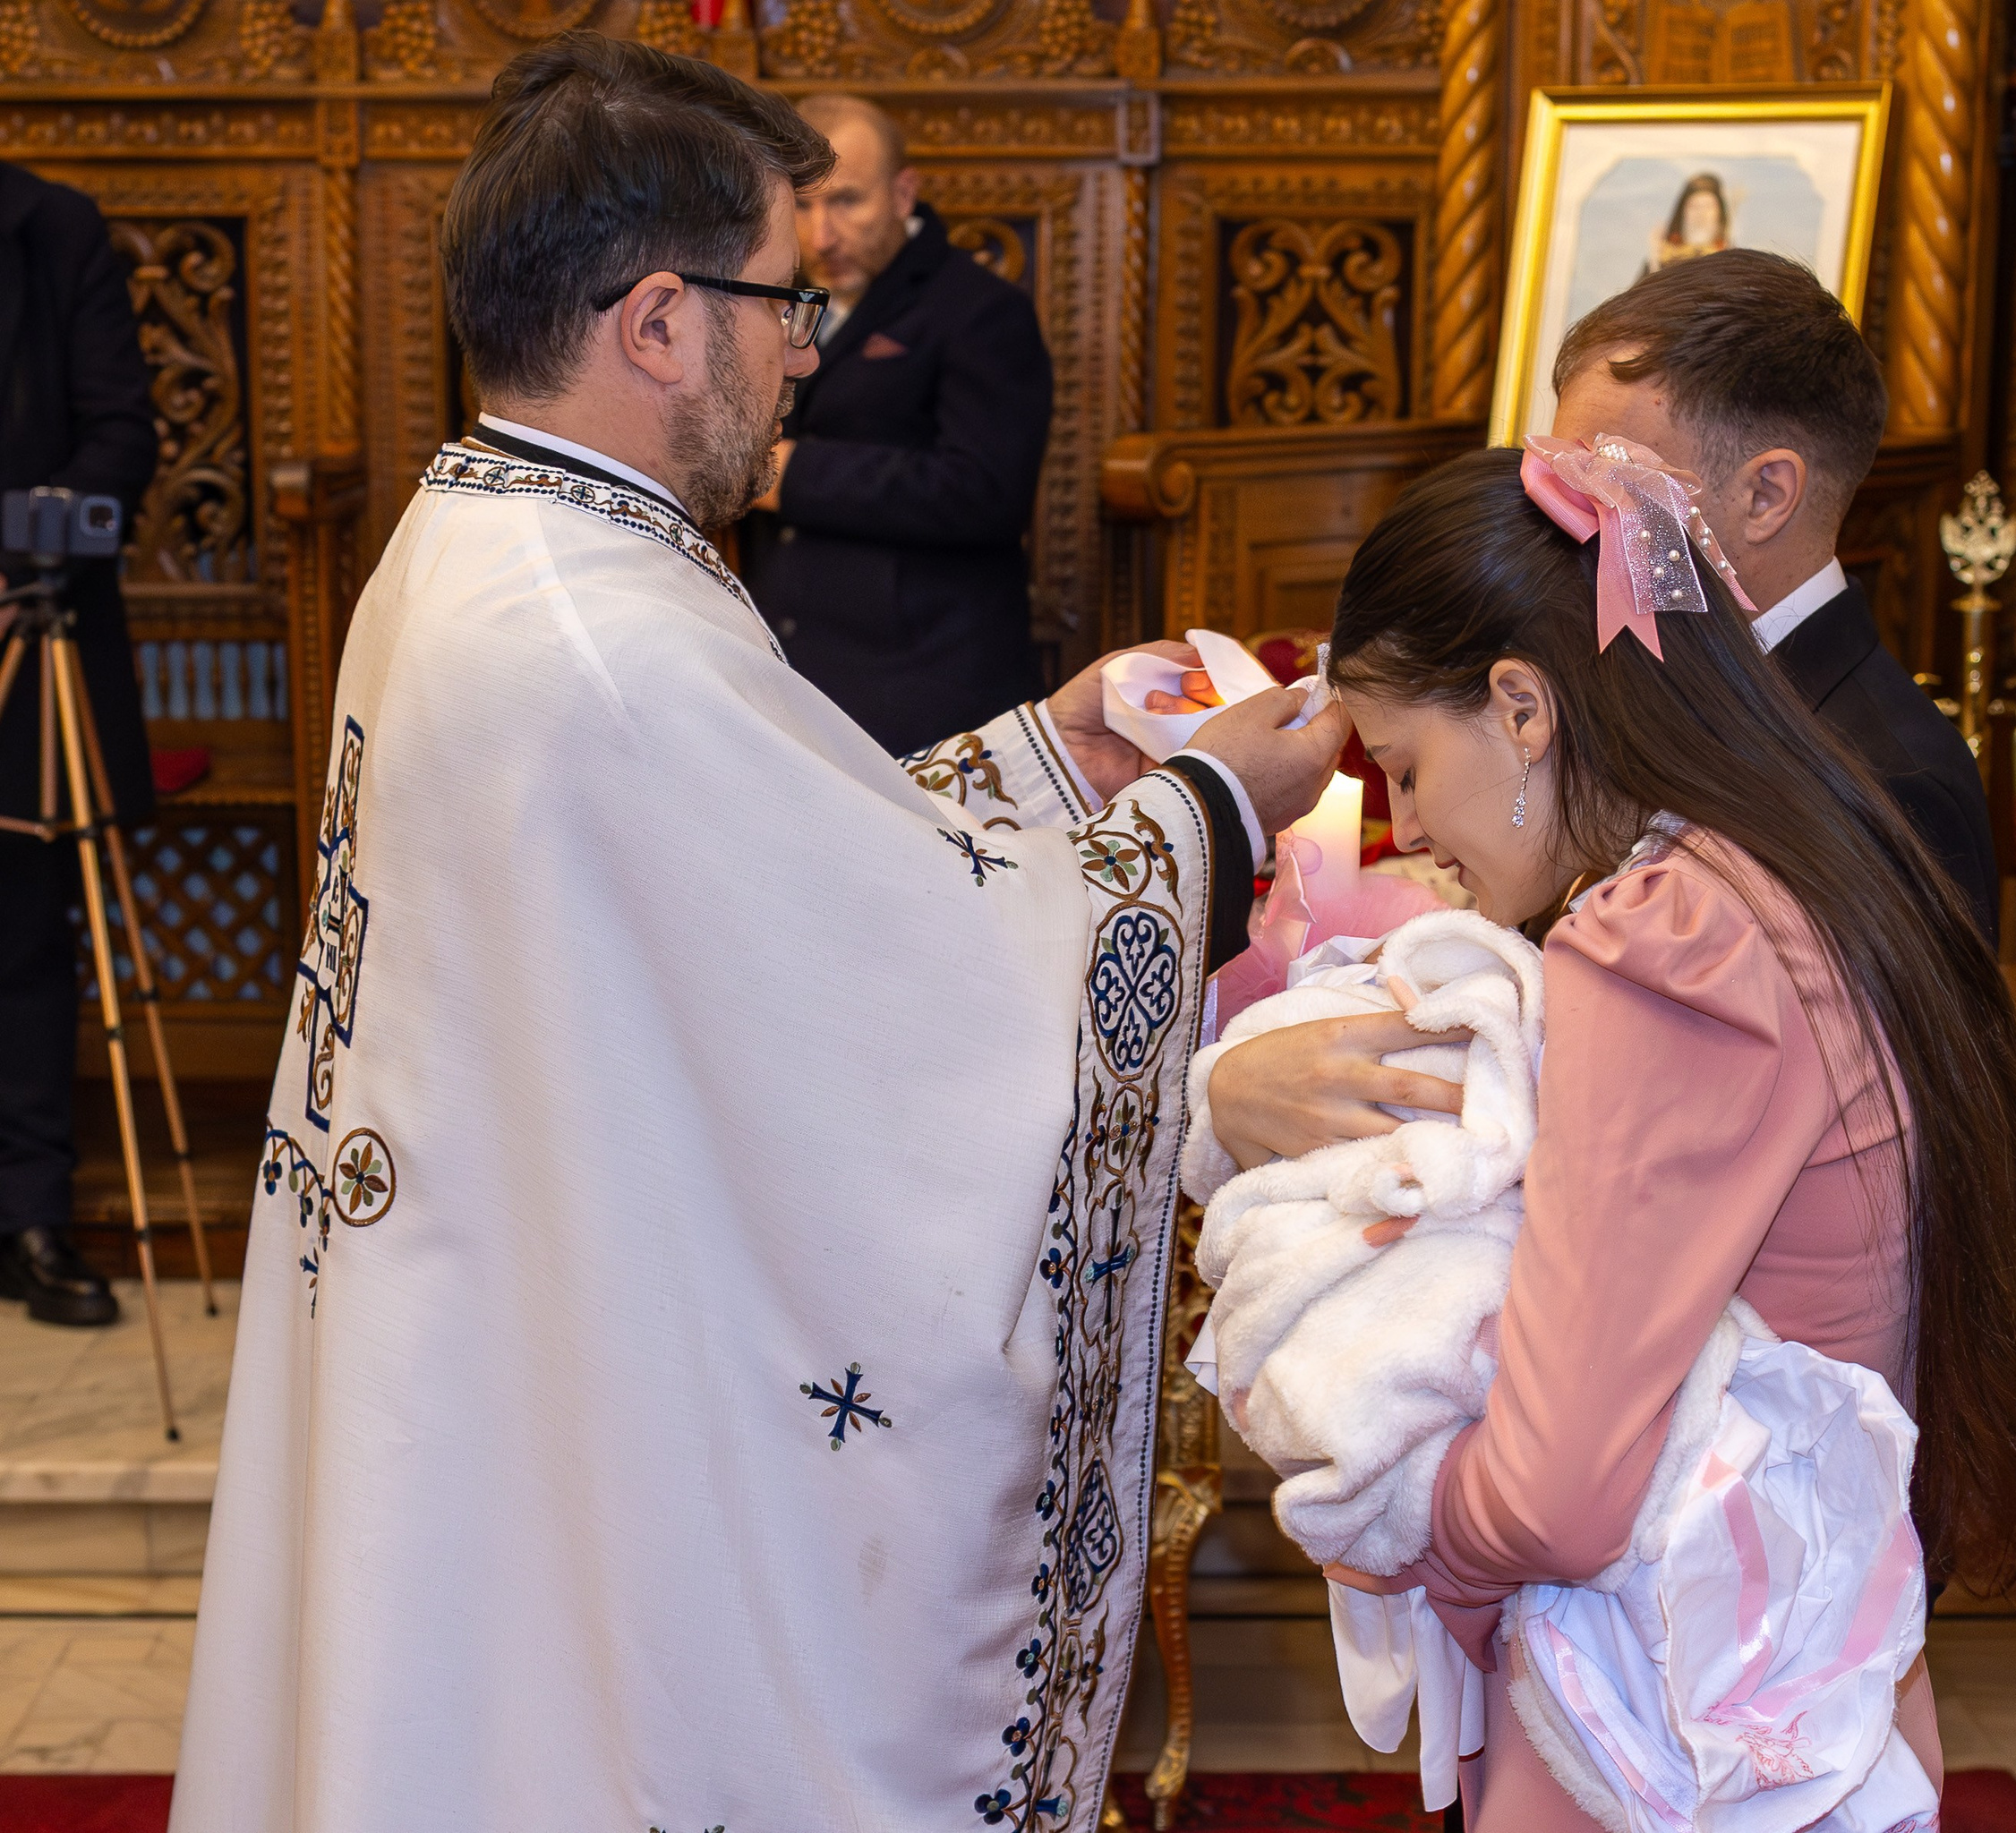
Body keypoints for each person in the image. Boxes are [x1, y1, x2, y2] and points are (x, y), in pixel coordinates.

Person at [169, 35, 1344, 1832]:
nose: (803, 349)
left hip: (502, 1344)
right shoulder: (595, 629)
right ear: (657, 321)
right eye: (783, 305)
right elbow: (906, 986)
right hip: (560, 1388)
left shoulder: (493, 536)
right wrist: (1211, 813)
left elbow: (781, 871)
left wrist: (1062, 750)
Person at [1206, 446, 2016, 1829]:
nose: (1415, 824)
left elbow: (1560, 1491)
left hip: (1659, 1688)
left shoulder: (1665, 943)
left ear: (1521, 705)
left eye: (1407, 766)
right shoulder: (1785, 851)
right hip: (1794, 1642)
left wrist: (1397, 1512)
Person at [1553, 248, 1999, 941]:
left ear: (1765, 495)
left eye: (1608, 486)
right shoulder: (1617, 671)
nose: (1564, 524)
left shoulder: (1894, 784)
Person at [739, 91, 1054, 757]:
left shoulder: (982, 310)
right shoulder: (776, 300)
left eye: (846, 201)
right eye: (802, 205)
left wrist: (791, 474)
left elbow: (986, 493)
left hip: (926, 688)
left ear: (903, 193)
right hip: (791, 674)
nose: (820, 235)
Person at [0, 159, 158, 1329]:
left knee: (17, 932)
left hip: (26, 630)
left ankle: (28, 1219)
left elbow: (119, 442)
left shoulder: (53, 228)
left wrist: (13, 567)